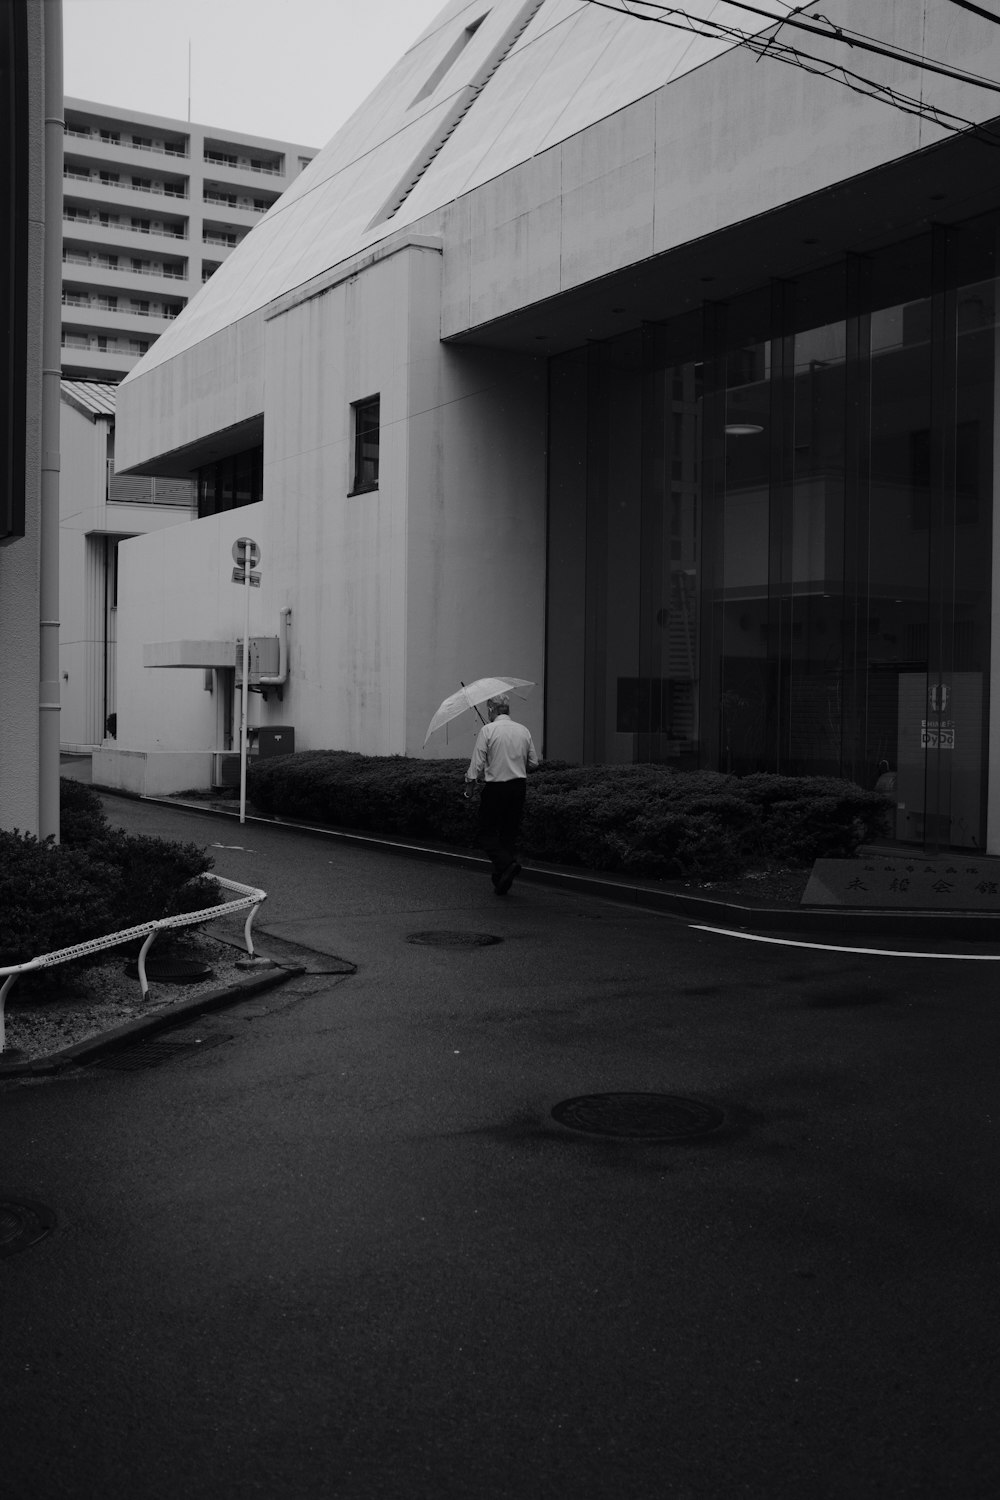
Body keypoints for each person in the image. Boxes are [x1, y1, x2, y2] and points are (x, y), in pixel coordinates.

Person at [464, 694, 539, 895]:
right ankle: (501, 879)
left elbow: (477, 763)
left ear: (492, 710)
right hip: (518, 787)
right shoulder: (523, 730)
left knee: (486, 833)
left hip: (496, 788)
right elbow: (533, 763)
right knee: (508, 833)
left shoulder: (488, 730)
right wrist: (514, 762)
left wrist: (469, 785)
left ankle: (507, 864)